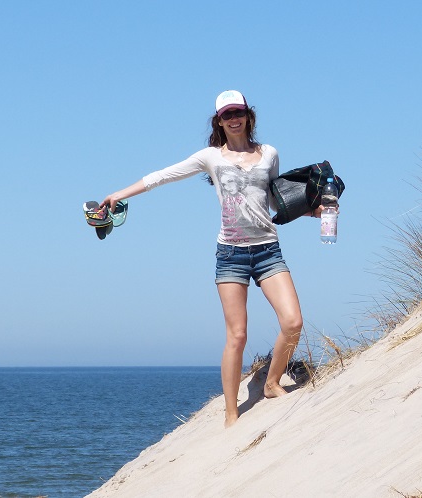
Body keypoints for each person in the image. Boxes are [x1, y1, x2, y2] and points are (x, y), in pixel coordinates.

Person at [100, 90, 321, 428]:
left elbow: (276, 201)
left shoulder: (269, 153)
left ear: (249, 116)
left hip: (267, 250)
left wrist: (311, 211)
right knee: (237, 335)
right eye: (227, 114)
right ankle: (232, 413)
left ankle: (273, 382)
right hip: (231, 254)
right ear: (219, 121)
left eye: (239, 112)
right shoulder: (210, 157)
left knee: (293, 322)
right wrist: (118, 194)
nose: (234, 119)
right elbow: (162, 176)